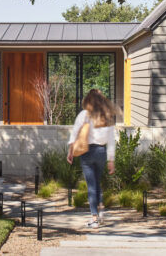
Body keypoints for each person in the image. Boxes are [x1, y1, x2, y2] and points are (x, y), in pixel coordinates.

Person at [66, 88, 117, 228]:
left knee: (92, 185)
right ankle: (101, 208)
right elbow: (111, 139)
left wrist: (70, 151)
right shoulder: (107, 116)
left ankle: (94, 218)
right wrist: (111, 160)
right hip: (101, 152)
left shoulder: (84, 115)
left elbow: (74, 133)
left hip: (87, 152)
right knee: (97, 182)